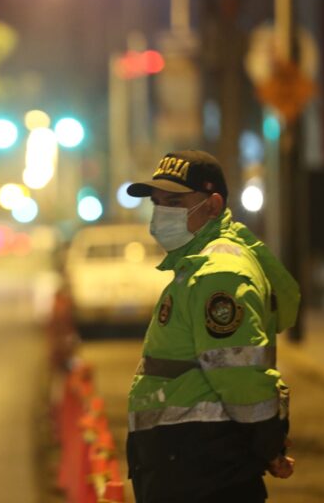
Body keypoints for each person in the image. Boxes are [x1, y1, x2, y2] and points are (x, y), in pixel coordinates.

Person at [124, 150, 299, 503]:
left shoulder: (218, 273)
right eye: (157, 203)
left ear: (213, 204)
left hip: (201, 465)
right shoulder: (197, 264)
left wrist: (267, 443)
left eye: (174, 202)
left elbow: (238, 371)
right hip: (191, 461)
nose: (161, 214)